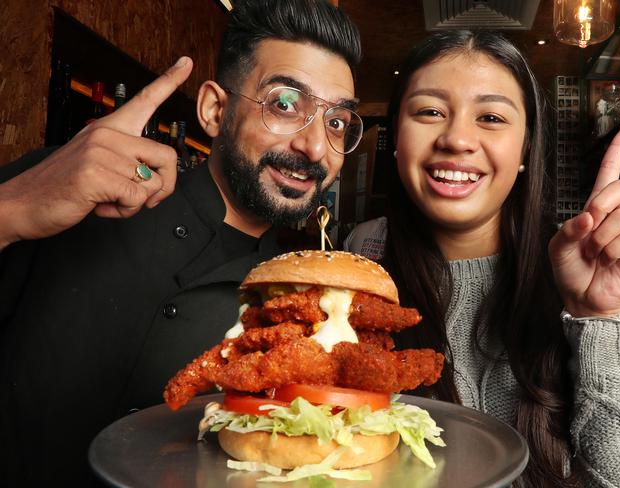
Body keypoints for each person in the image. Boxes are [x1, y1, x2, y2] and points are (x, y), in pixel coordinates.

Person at [0, 0, 362, 485]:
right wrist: (13, 208)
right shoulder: (67, 188)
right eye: (284, 104)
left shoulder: (307, 308)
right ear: (215, 110)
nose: (315, 146)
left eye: (336, 121)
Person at [374, 31, 620, 487]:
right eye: (430, 111)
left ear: (525, 149)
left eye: (491, 117)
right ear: (397, 139)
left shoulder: (609, 277)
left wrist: (601, 315)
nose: (458, 138)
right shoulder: (351, 295)